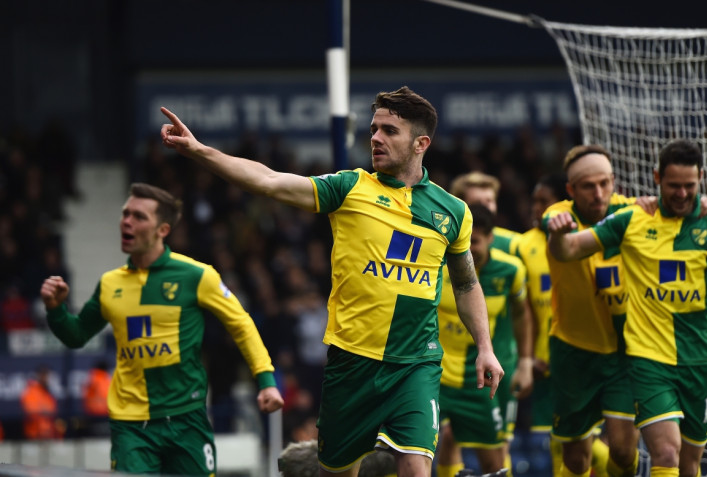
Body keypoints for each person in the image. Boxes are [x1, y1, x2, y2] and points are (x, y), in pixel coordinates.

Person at [160, 85, 504, 477]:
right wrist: (200, 150)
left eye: (389, 131)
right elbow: (269, 180)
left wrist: (485, 347)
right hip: (351, 362)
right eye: (374, 129)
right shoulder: (349, 188)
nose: (375, 137)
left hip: (416, 363)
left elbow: (465, 284)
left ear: (420, 143)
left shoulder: (453, 211)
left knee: (415, 467)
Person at [39, 183, 284, 475]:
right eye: (125, 214)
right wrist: (55, 310)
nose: (127, 222)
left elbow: (241, 324)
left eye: (139, 217)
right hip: (132, 426)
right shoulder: (109, 284)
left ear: (163, 230)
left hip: (187, 419)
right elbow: (77, 335)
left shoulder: (196, 276)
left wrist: (266, 380)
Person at [547, 139, 707, 477]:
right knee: (664, 451)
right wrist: (558, 236)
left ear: (701, 179)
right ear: (656, 179)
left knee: (688, 464)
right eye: (673, 186)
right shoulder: (630, 219)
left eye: (689, 186)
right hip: (645, 358)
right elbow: (569, 249)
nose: (681, 194)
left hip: (700, 358)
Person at [540, 145, 641, 477]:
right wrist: (558, 230)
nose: (598, 194)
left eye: (604, 183)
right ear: (571, 190)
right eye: (587, 186)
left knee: (625, 453)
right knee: (577, 460)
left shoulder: (634, 213)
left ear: (614, 181)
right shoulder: (559, 215)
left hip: (625, 352)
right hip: (574, 352)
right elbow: (555, 233)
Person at [516, 173, 609, 477]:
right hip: (543, 363)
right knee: (557, 444)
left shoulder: (589, 240)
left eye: (543, 202)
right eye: (534, 201)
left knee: (592, 445)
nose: (536, 209)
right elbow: (523, 309)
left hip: (585, 357)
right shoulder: (522, 245)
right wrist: (526, 359)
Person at [435, 204, 533, 477]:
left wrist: (524, 361)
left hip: (476, 380)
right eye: (463, 241)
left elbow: (521, 314)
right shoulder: (438, 264)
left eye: (475, 242)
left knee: (494, 462)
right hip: (434, 375)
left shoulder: (510, 271)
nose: (468, 249)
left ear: (491, 237)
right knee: (412, 451)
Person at [20, 365, 64, 440]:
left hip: (50, 435)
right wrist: (45, 412)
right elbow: (32, 412)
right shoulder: (31, 391)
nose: (47, 378)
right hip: (35, 436)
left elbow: (53, 412)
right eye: (44, 375)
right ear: (39, 376)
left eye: (48, 375)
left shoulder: (48, 394)